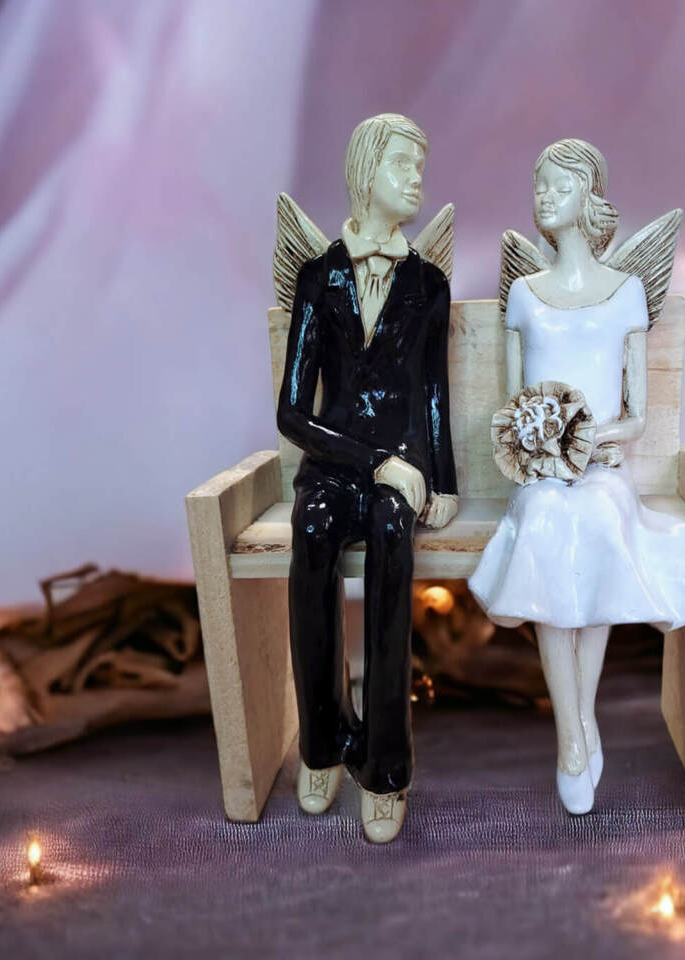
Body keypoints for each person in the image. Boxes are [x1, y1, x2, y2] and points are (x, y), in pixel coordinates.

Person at [468, 139, 685, 815]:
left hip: (600, 469)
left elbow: (636, 415)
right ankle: (574, 735)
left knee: (595, 519)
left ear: (588, 198)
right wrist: (540, 448)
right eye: (538, 186)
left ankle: (577, 724)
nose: (544, 197)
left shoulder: (626, 295)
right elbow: (513, 405)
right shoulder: (523, 297)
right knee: (545, 520)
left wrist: (596, 441)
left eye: (558, 187)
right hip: (539, 476)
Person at [278, 114, 458, 843]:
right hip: (333, 465)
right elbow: (292, 412)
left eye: (421, 165)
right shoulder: (318, 278)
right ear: (365, 171)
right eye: (402, 164)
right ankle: (323, 742)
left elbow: (434, 392)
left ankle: (385, 765)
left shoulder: (428, 284)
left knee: (390, 529)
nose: (416, 178)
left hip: (402, 470)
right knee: (313, 528)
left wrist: (443, 482)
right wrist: (371, 461)